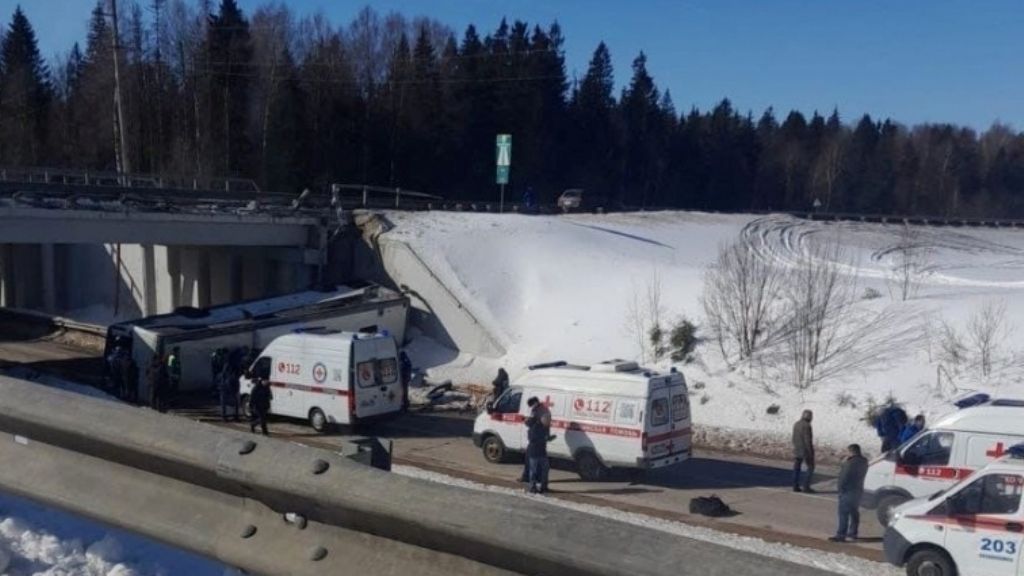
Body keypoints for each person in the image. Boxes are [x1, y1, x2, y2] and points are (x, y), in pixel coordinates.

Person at [829, 444, 869, 543]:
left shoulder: (850, 463)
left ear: (851, 451)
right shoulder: (864, 461)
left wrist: (840, 489)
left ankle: (841, 535)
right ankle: (853, 533)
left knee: (843, 513)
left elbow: (844, 477)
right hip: (858, 490)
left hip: (848, 491)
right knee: (854, 512)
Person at [525, 397, 553, 494]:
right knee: (535, 469)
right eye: (547, 420)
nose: (548, 422)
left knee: (542, 469)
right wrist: (545, 438)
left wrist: (548, 437)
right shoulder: (536, 427)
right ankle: (535, 487)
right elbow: (533, 438)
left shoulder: (542, 422)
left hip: (540, 450)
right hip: (536, 450)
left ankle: (541, 486)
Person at [792, 409, 815, 493]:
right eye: (811, 416)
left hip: (797, 448)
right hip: (805, 450)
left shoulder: (796, 424)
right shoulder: (807, 426)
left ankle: (795, 485)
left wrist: (795, 446)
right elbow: (807, 440)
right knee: (810, 467)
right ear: (809, 417)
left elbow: (794, 437)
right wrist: (810, 452)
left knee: (797, 468)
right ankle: (806, 486)